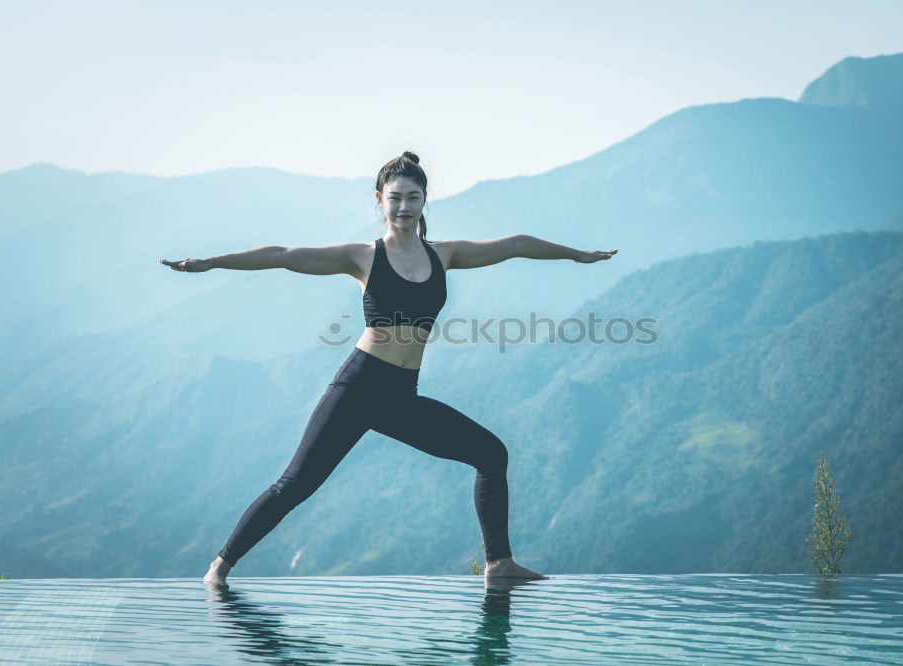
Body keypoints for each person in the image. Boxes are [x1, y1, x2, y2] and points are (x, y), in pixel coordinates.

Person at [160, 151, 617, 585]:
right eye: (394, 198)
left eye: (412, 198)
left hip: (401, 396)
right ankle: (219, 568)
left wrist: (577, 255)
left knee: (491, 454)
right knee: (294, 486)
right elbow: (281, 254)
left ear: (424, 201)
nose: (403, 206)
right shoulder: (362, 257)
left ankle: (499, 563)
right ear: (379, 200)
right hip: (358, 387)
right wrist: (212, 262)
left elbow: (515, 244)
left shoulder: (444, 254)